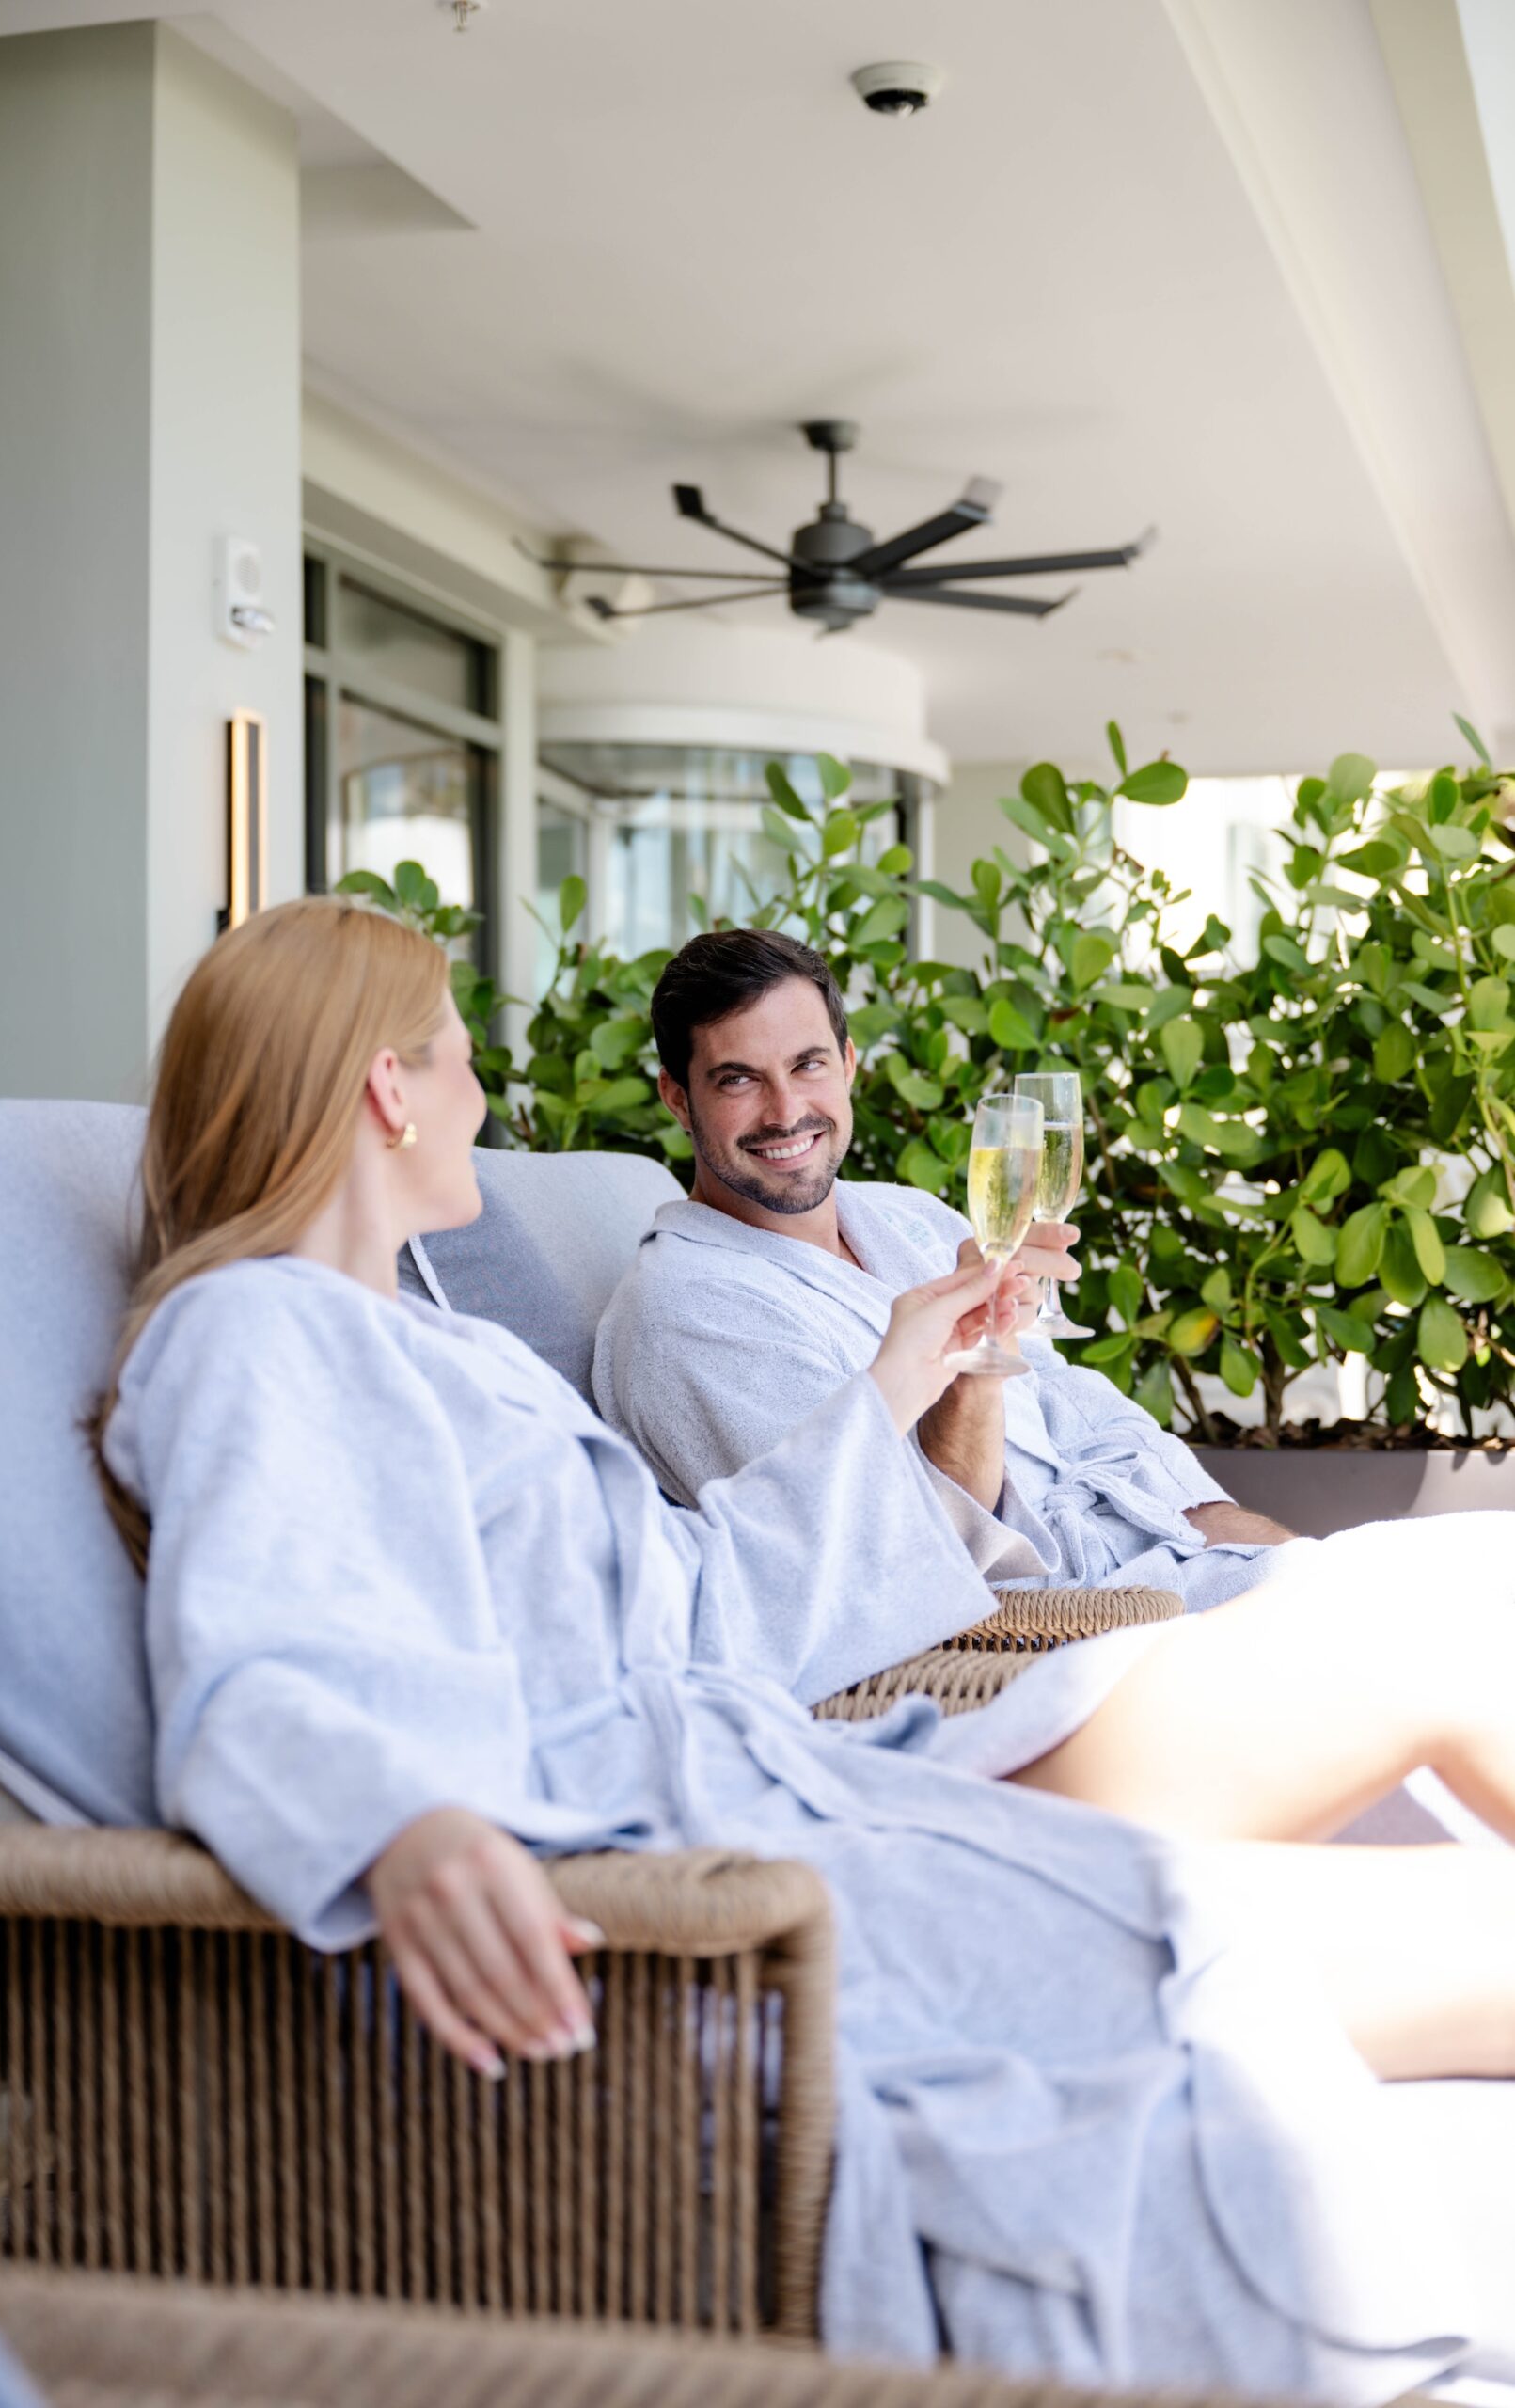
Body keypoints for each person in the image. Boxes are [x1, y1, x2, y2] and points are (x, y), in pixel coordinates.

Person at [91, 896, 1515, 2400]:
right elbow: (254, 1661)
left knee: (1444, 1676)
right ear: (387, 1088)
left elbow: (704, 1600)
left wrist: (902, 1373)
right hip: (717, 1874)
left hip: (794, 1790)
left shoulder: (413, 1347)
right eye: (454, 1055)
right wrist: (401, 1821)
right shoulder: (252, 1332)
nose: (482, 1096)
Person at [593, 927, 1296, 1607]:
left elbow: (1061, 1391)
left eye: (807, 1065)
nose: (786, 1112)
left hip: (1158, 1550)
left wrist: (1197, 1512)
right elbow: (887, 1567)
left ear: (848, 1063)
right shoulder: (687, 1313)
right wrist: (976, 1355)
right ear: (677, 1099)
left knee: (1376, 1586)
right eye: (738, 1079)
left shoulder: (909, 1218)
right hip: (1041, 1631)